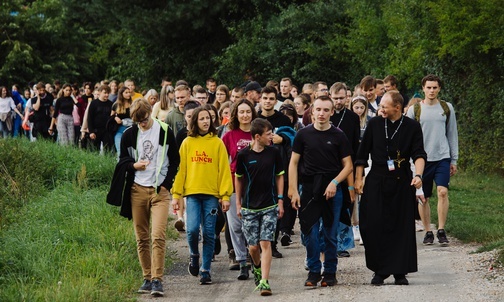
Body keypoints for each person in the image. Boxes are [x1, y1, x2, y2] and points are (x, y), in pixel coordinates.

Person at [107, 98, 179, 297]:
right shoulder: (129, 134)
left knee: (158, 236)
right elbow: (122, 160)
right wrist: (134, 166)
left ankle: (157, 279)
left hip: (159, 192)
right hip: (137, 189)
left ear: (150, 113)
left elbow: (175, 160)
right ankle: (147, 278)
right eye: (138, 121)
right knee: (142, 238)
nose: (142, 124)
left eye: (145, 119)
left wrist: (166, 184)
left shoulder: (164, 131)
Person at [355, 91, 426, 286]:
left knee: (400, 226)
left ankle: (399, 271)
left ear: (397, 108)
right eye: (381, 106)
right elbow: (362, 154)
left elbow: (419, 153)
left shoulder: (412, 127)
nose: (381, 109)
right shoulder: (375, 124)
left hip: (402, 180)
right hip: (377, 179)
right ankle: (380, 268)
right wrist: (358, 178)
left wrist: (418, 175)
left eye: (385, 106)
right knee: (372, 224)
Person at [288, 95, 353, 287]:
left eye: (326, 110)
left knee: (330, 233)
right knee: (310, 233)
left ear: (332, 112)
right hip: (309, 188)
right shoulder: (303, 134)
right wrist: (293, 190)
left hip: (333, 189)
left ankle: (330, 272)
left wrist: (335, 182)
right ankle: (314, 271)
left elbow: (348, 165)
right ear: (312, 112)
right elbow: (293, 163)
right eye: (318, 109)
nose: (321, 114)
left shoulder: (339, 135)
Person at [172, 107, 233, 285]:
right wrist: (176, 194)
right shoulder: (187, 143)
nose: (206, 121)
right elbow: (181, 170)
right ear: (195, 122)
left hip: (211, 196)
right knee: (191, 230)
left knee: (208, 233)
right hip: (192, 195)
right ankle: (194, 254)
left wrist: (225, 196)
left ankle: (205, 269)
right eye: (201, 119)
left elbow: (224, 171)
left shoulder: (217, 143)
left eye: (208, 118)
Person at [406, 74, 459, 246]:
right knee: (423, 197)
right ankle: (428, 231)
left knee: (442, 191)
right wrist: (410, 162)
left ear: (439, 89)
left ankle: (441, 230)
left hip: (442, 156)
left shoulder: (446, 107)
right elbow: (407, 138)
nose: (431, 90)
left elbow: (452, 134)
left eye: (435, 87)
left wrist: (454, 160)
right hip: (422, 159)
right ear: (423, 88)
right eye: (428, 87)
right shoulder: (415, 110)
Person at [235, 118, 284, 296]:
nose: (272, 137)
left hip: (269, 205)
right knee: (253, 247)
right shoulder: (243, 155)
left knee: (265, 242)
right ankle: (256, 267)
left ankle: (264, 281)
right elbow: (238, 178)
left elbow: (279, 176)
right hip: (249, 208)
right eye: (268, 134)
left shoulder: (274, 152)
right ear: (257, 136)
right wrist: (238, 203)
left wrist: (280, 200)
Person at [222, 99, 257, 279]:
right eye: (241, 112)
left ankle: (254, 258)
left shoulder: (258, 133)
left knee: (251, 225)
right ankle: (242, 261)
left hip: (256, 184)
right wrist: (223, 191)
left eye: (248, 112)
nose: (245, 115)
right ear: (235, 114)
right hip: (234, 183)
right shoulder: (229, 136)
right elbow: (222, 163)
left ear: (252, 113)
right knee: (235, 226)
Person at [87, 85, 113, 152]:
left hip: (107, 130)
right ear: (100, 92)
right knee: (94, 151)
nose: (106, 95)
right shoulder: (94, 103)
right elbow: (89, 117)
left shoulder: (111, 104)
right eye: (105, 93)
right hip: (96, 130)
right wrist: (91, 131)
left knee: (108, 150)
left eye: (108, 93)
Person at [110, 86, 133, 154]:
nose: (128, 94)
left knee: (130, 151)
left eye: (129, 92)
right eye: (126, 92)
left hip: (130, 129)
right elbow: (111, 116)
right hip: (120, 130)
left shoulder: (133, 104)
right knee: (120, 149)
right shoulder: (116, 105)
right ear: (121, 94)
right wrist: (115, 117)